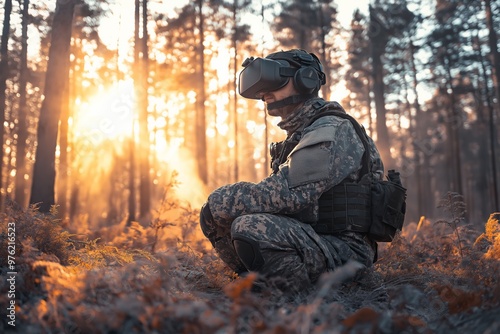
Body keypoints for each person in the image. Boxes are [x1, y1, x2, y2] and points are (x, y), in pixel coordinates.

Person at [199, 49, 383, 293]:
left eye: (274, 81)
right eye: (261, 88)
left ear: (305, 80)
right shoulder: (302, 134)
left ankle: (304, 302)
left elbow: (288, 194)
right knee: (220, 215)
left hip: (346, 253)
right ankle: (260, 287)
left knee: (250, 226)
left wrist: (222, 199)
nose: (264, 93)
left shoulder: (332, 128)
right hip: (315, 240)